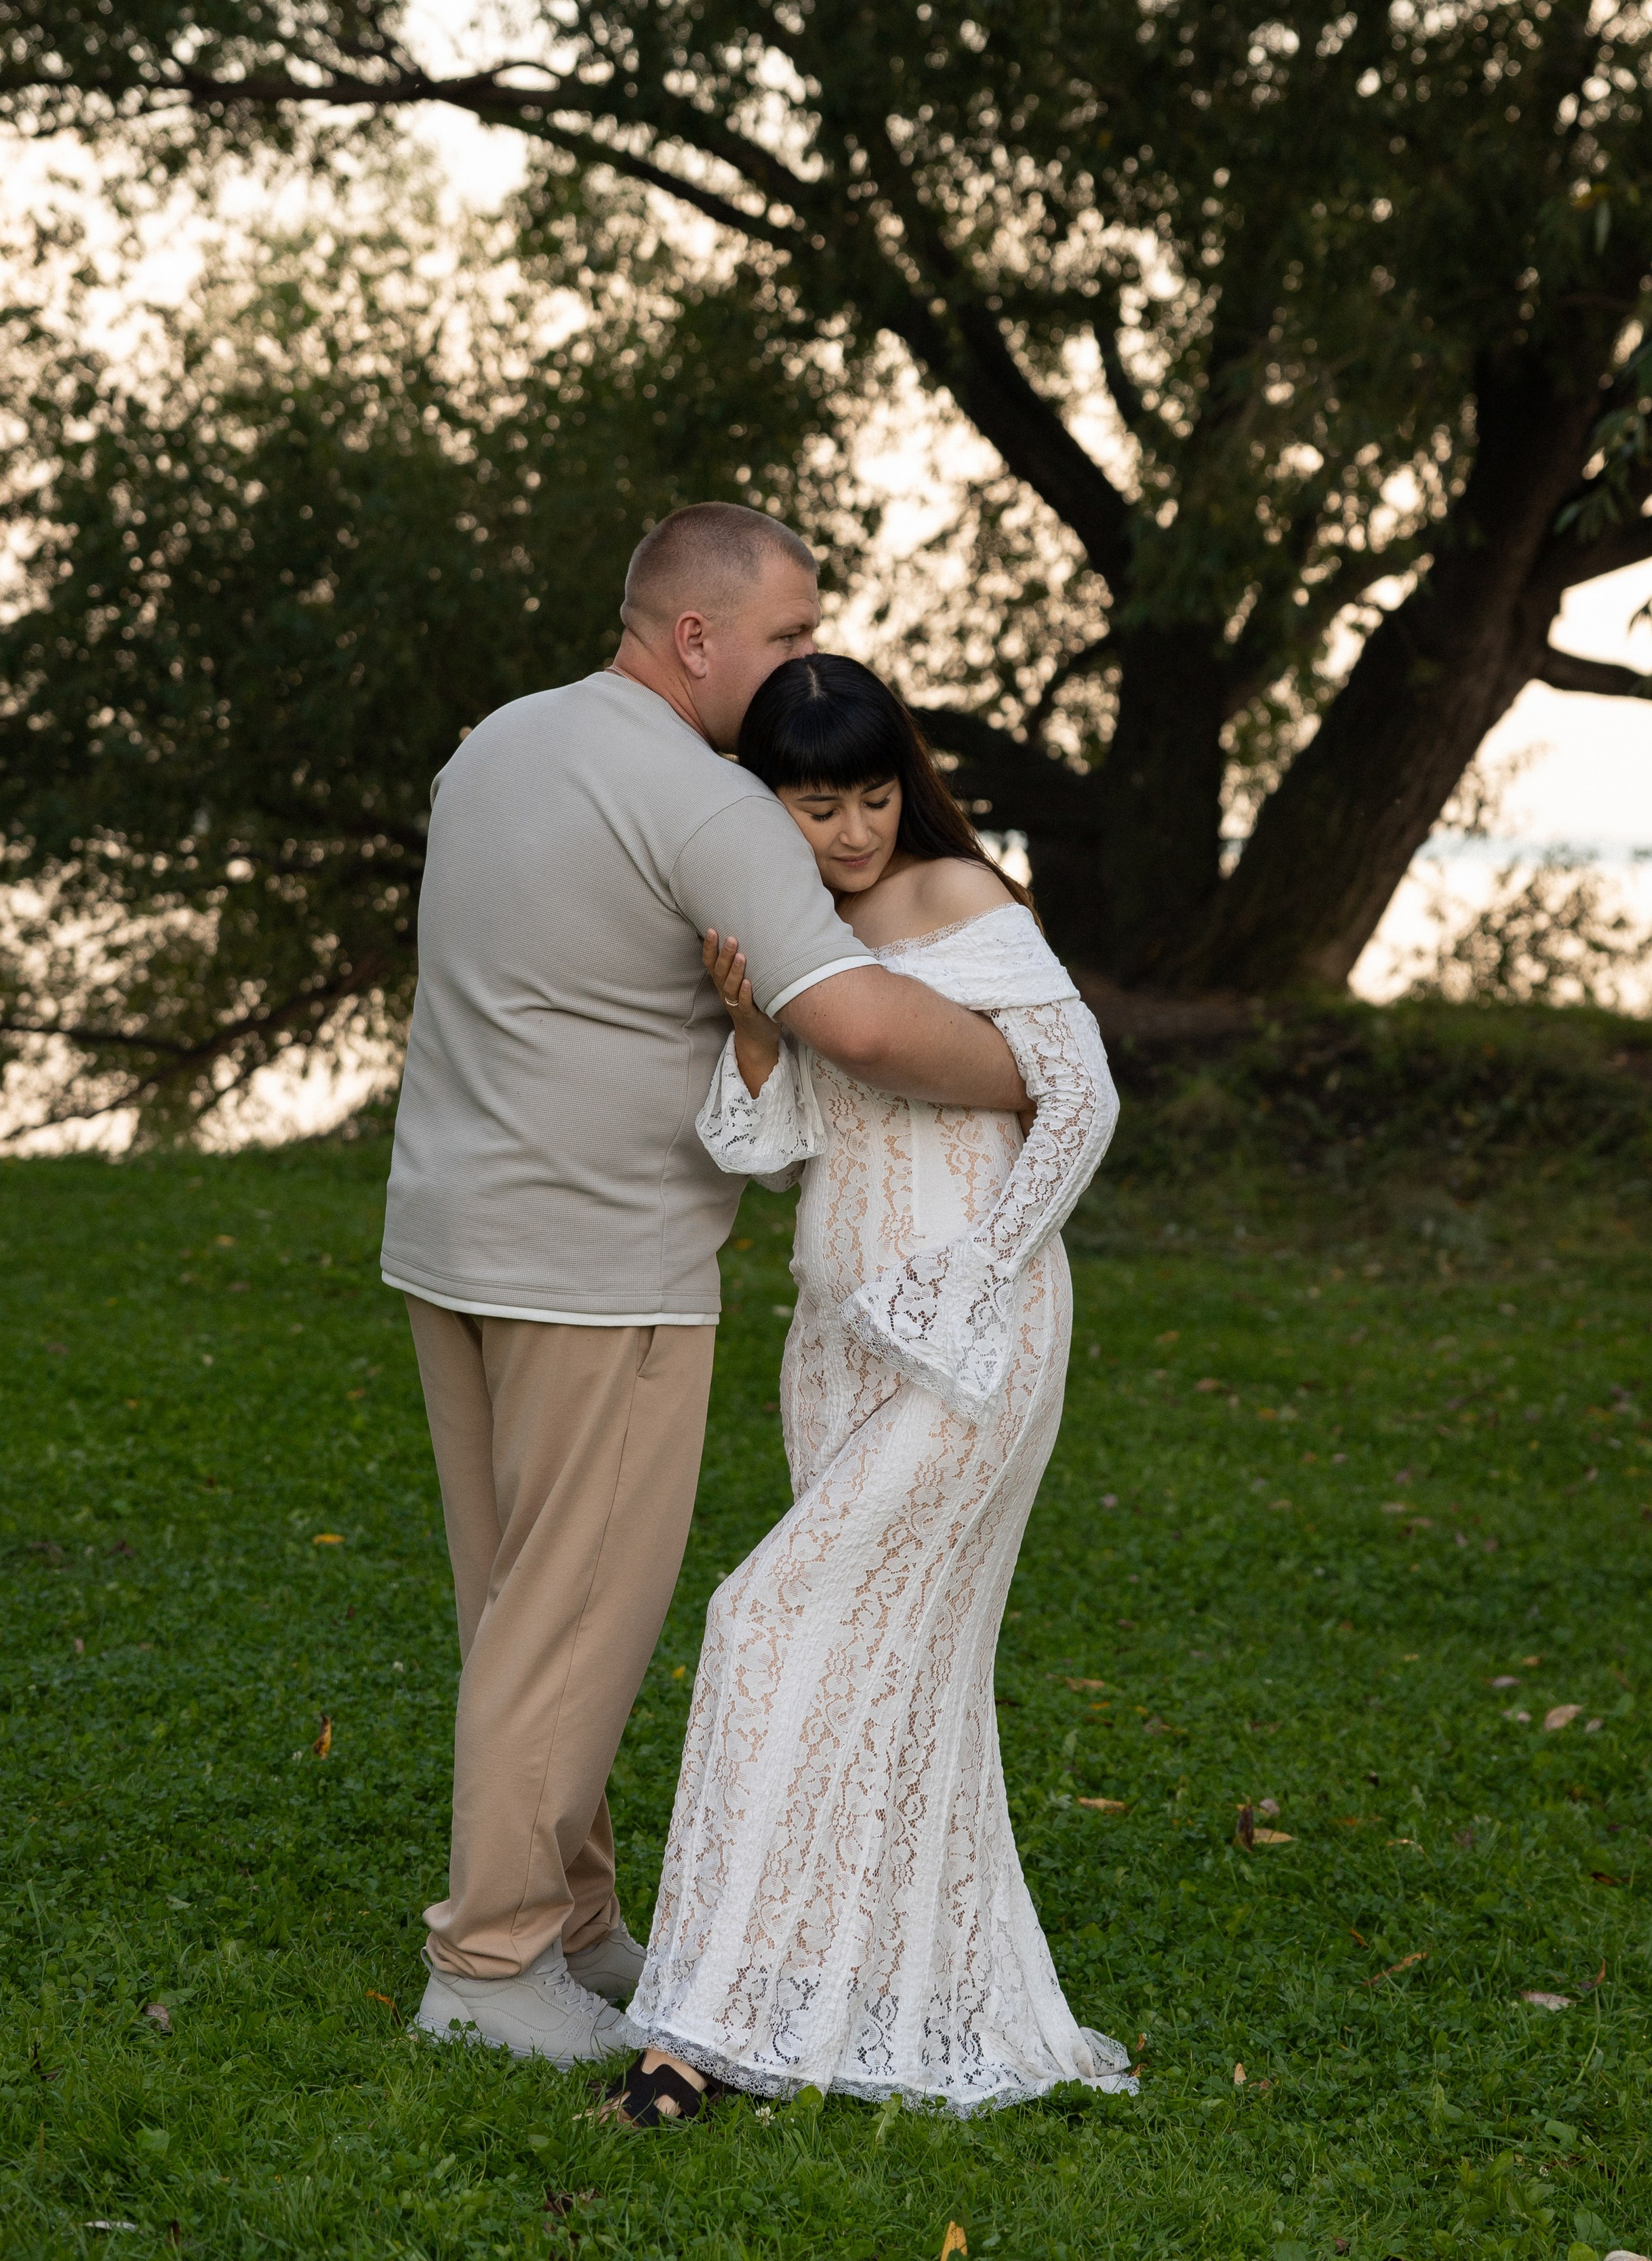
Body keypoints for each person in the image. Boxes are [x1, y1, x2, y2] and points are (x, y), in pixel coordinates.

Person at [382, 505, 1032, 2070]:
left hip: (447, 1237)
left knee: (514, 1602)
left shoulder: (500, 745)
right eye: (792, 634)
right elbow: (861, 1024)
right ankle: (483, 1970)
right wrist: (1031, 1060)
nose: (810, 659)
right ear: (698, 639)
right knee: (575, 1612)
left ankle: (574, 1921)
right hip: (600, 1269)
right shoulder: (705, 802)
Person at [608, 654, 1131, 2123]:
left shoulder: (962, 902)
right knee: (891, 1683)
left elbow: (1079, 1095)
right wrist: (760, 1031)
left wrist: (968, 1275)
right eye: (815, 803)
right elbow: (766, 1149)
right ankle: (872, 2002)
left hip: (973, 1335)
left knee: (764, 1617)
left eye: (874, 797)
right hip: (834, 1348)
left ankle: (693, 2042)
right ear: (760, 801)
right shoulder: (788, 925)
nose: (849, 834)